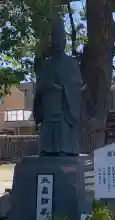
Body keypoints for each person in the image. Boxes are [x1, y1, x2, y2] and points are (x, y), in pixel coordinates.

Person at [33, 14, 82, 156]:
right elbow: (40, 86)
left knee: (63, 131)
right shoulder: (47, 63)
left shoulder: (71, 63)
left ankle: (66, 149)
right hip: (49, 108)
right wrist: (47, 86)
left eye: (60, 39)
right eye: (54, 40)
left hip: (63, 109)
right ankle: (47, 150)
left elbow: (76, 85)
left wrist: (63, 88)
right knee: (48, 134)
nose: (57, 43)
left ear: (64, 41)